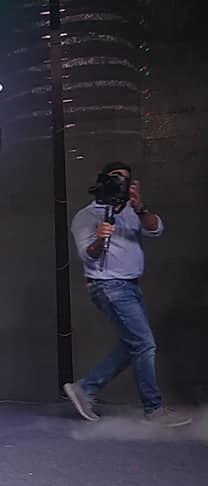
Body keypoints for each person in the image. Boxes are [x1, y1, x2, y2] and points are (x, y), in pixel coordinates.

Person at [64, 163, 190, 427]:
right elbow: (88, 256)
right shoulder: (86, 216)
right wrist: (100, 238)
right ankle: (153, 409)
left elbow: (156, 228)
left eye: (126, 179)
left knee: (132, 344)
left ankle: (86, 389)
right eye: (116, 178)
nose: (121, 183)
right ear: (102, 182)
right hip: (109, 286)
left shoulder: (132, 212)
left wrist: (140, 207)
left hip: (131, 285)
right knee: (144, 343)